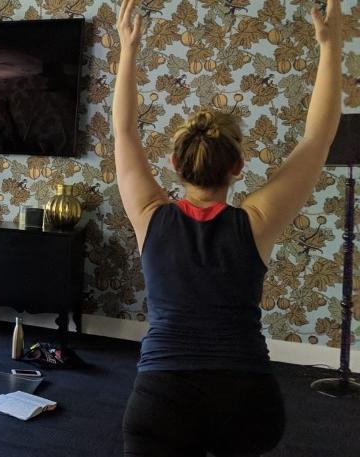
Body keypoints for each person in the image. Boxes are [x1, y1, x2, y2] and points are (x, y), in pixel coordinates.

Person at [112, 0, 343, 455]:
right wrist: (330, 46)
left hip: (160, 402)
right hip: (246, 403)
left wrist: (128, 47)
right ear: (237, 166)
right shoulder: (255, 222)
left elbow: (124, 133)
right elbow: (318, 137)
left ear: (176, 164)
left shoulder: (150, 215)